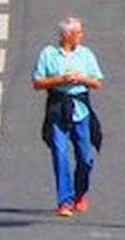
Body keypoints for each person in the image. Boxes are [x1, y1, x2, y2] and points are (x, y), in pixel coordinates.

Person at [32, 16, 104, 217]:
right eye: (77, 32)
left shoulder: (86, 54)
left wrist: (81, 78)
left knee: (85, 157)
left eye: (80, 32)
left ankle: (80, 192)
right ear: (66, 35)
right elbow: (38, 82)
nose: (81, 36)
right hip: (58, 109)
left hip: (80, 110)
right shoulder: (48, 54)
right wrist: (60, 79)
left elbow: (97, 81)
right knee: (60, 154)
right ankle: (65, 200)